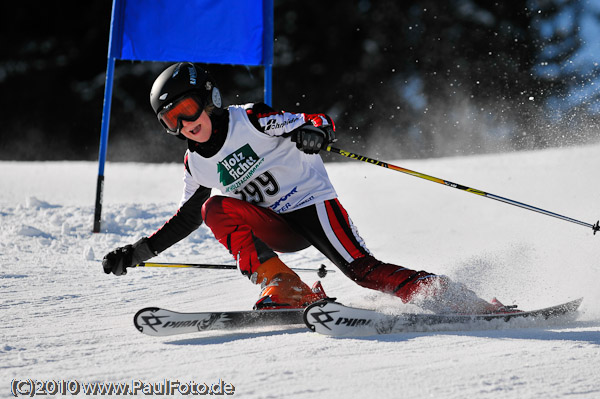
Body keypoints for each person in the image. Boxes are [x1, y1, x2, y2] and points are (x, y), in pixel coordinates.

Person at [102, 62, 509, 314]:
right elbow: (187, 217)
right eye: (170, 120)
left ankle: (463, 301)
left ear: (208, 99)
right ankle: (285, 286)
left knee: (363, 273)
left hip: (312, 205)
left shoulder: (252, 119)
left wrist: (315, 133)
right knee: (213, 210)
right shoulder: (196, 163)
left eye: (187, 110)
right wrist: (139, 251)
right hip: (276, 225)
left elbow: (316, 119)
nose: (185, 125)